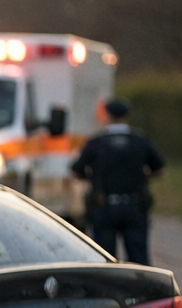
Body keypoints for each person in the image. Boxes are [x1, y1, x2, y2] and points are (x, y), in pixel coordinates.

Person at [71, 97, 166, 265]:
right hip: (135, 205)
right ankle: (139, 289)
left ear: (106, 115)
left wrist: (93, 177)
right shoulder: (140, 141)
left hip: (104, 207)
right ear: (126, 116)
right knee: (139, 259)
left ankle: (107, 291)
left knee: (104, 259)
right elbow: (160, 169)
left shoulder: (96, 142)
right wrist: (142, 176)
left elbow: (77, 171)